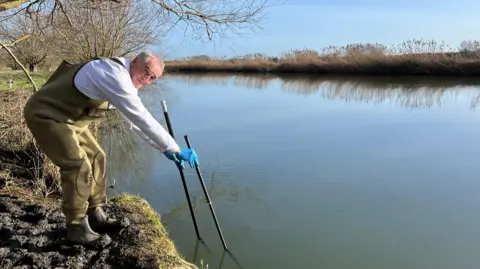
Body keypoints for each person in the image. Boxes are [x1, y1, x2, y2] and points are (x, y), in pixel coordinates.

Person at [23, 51, 199, 248]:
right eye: (146, 72)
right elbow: (141, 117)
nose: (147, 79)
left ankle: (95, 213)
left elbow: (134, 123)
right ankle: (76, 227)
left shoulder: (128, 83)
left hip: (71, 121)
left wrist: (163, 149)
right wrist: (175, 147)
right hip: (46, 115)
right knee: (77, 164)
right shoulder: (113, 75)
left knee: (98, 156)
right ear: (134, 62)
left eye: (153, 78)